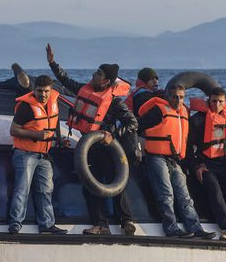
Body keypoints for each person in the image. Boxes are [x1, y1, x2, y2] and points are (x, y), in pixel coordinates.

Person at [46, 44, 139, 235]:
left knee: (117, 184)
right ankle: (100, 224)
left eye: (98, 73)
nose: (93, 75)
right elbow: (65, 80)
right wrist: (53, 63)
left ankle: (127, 221)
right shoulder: (84, 89)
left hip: (110, 149)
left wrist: (112, 134)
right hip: (90, 148)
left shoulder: (115, 102)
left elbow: (132, 123)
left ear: (106, 81)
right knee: (91, 186)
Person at [137, 81, 217, 239]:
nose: (178, 101)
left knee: (184, 195)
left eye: (181, 98)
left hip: (175, 160)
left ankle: (195, 227)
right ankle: (171, 228)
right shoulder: (158, 111)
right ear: (167, 96)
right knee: (166, 194)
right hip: (157, 157)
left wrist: (189, 162)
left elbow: (185, 140)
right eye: (175, 97)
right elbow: (138, 126)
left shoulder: (184, 113)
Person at [8, 75, 67, 235]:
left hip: (43, 155)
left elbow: (53, 124)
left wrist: (59, 139)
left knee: (46, 190)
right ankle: (15, 224)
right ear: (34, 90)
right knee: (22, 190)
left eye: (46, 91)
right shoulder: (26, 107)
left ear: (51, 90)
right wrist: (37, 135)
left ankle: (47, 224)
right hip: (25, 154)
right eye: (39, 91)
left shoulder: (54, 102)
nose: (43, 95)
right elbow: (13, 130)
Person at [186, 90, 226, 241]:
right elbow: (188, 148)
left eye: (220, 101)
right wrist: (196, 166)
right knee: (214, 188)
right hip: (206, 164)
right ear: (208, 101)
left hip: (225, 164)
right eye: (213, 101)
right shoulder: (198, 120)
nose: (217, 105)